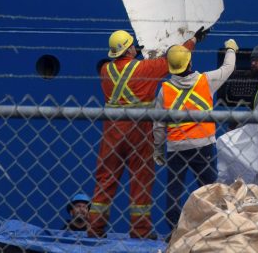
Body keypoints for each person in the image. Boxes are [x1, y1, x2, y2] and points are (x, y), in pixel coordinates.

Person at [87, 28, 206, 238]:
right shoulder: (146, 68)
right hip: (139, 129)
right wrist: (193, 40)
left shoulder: (105, 70)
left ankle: (95, 228)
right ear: (130, 49)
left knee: (106, 177)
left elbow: (123, 72)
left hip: (112, 130)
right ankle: (140, 231)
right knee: (140, 178)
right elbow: (173, 59)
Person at [153, 38, 237, 232]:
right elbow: (228, 67)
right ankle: (216, 228)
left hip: (176, 147)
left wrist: (158, 149)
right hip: (203, 145)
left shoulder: (165, 90)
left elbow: (158, 124)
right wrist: (231, 48)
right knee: (210, 189)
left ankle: (174, 231)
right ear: (189, 62)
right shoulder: (205, 81)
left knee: (174, 191)